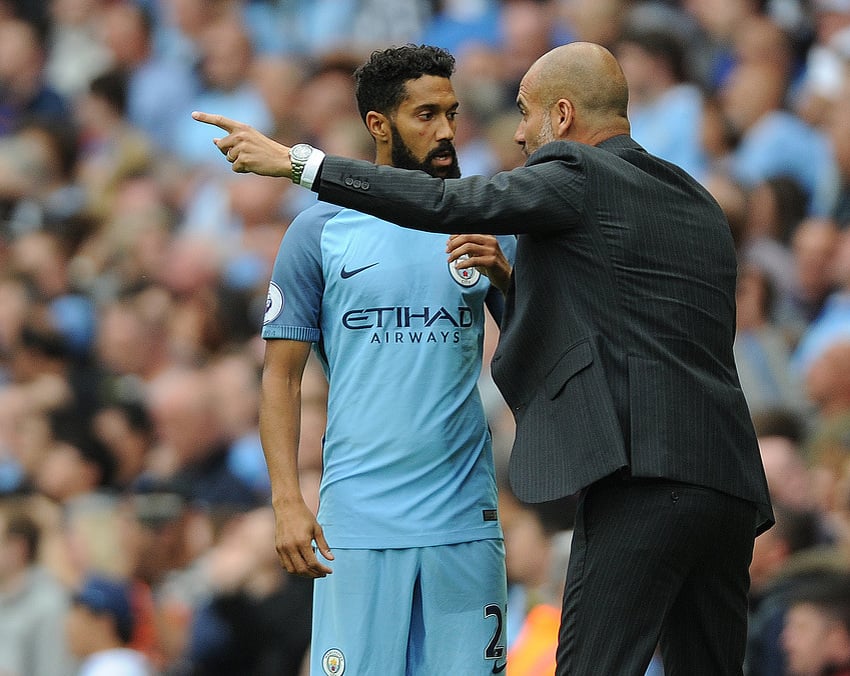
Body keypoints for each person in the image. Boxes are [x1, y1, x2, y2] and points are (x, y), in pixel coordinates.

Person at [194, 39, 773, 675]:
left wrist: (297, 163)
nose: (517, 135)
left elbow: (448, 204)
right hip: (727, 482)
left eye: (523, 114)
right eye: (428, 114)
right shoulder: (695, 198)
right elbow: (587, 332)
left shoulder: (567, 182)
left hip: (607, 489)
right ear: (378, 125)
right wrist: (507, 283)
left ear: (561, 117)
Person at [202, 45, 514, 675]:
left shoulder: (485, 221)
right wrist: (287, 500)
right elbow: (281, 378)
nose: (447, 130)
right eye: (426, 115)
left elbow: (539, 349)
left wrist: (510, 281)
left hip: (464, 521)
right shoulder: (317, 234)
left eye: (451, 113)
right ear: (379, 125)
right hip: (358, 522)